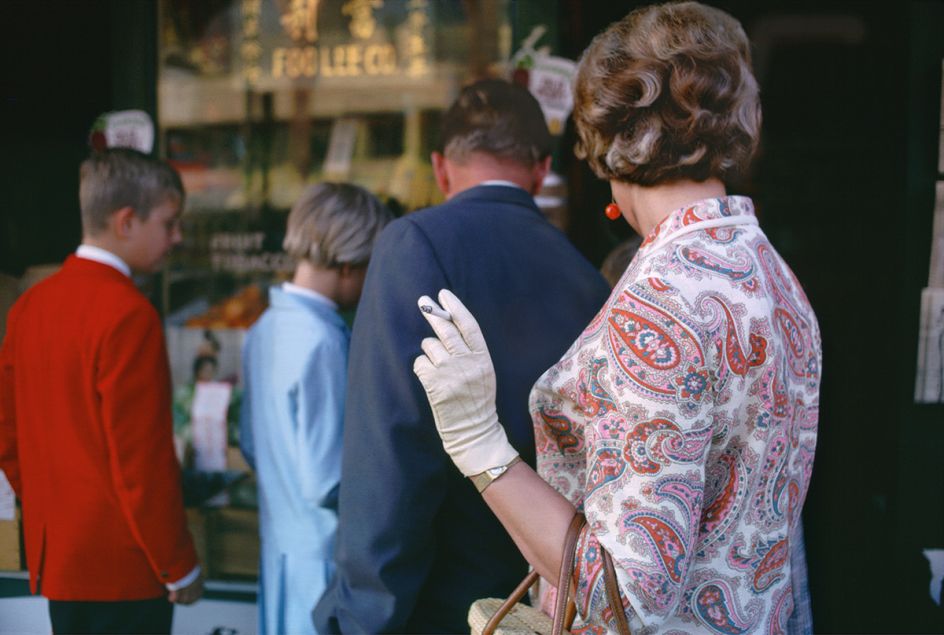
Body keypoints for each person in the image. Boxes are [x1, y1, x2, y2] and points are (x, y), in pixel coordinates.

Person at [413, 3, 822, 634]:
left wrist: (479, 444)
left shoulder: (659, 306)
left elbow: (623, 597)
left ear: (603, 139)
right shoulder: (773, 276)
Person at [313, 79, 612, 633]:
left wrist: (360, 616)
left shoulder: (414, 244)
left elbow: (389, 445)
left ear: (440, 167)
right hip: (545, 597)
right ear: (541, 170)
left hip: (436, 602)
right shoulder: (588, 279)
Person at [0, 148, 203, 634]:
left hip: (61, 559)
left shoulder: (30, 307)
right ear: (126, 222)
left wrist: (54, 510)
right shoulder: (129, 313)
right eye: (169, 223)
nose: (177, 237)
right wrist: (178, 563)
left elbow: (8, 436)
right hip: (127, 568)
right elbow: (143, 462)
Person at [239, 182, 392, 635]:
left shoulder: (264, 327)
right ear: (349, 265)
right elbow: (327, 477)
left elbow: (250, 444)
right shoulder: (323, 341)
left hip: (279, 544)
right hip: (324, 558)